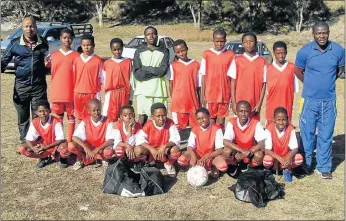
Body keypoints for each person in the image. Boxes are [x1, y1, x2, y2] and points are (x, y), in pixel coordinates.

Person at [295, 21, 345, 179]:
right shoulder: (304, 51)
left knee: (326, 134)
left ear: (329, 33)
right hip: (309, 101)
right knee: (307, 134)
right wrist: (310, 84)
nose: (322, 36)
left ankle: (324, 167)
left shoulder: (338, 50)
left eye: (324, 33)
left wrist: (327, 83)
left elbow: (340, 69)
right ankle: (307, 164)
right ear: (313, 34)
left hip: (329, 101)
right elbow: (298, 70)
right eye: (318, 33)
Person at [1, 16, 49, 144]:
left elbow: (47, 60)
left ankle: (37, 140)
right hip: (21, 86)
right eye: (26, 26)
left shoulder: (43, 42)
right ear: (22, 27)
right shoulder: (15, 43)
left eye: (32, 26)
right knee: (23, 117)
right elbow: (4, 61)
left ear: (36, 28)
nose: (29, 29)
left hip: (39, 86)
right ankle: (25, 142)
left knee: (38, 115)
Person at [47, 28, 80, 142]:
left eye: (69, 37)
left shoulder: (77, 56)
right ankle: (59, 142)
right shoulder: (53, 55)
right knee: (58, 117)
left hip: (71, 92)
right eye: (64, 37)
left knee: (71, 117)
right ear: (60, 39)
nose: (67, 40)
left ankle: (70, 142)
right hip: (57, 92)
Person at [132, 26, 170, 126]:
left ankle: (160, 138)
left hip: (158, 89)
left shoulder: (164, 51)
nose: (151, 36)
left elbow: (162, 71)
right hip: (143, 89)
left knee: (160, 116)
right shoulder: (139, 51)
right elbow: (138, 74)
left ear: (157, 35)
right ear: (145, 37)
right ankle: (139, 138)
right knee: (142, 117)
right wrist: (155, 71)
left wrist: (145, 68)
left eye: (153, 33)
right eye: (148, 34)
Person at [177, 107, 229, 178]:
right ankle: (198, 165)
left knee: (223, 166)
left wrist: (206, 157)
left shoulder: (216, 129)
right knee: (181, 160)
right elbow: (190, 146)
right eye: (199, 119)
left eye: (203, 118)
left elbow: (220, 150)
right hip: (198, 154)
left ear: (209, 117)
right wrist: (193, 156)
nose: (201, 120)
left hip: (211, 156)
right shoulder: (195, 128)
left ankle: (212, 166)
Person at [17, 100, 69, 168]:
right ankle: (44, 157)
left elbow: (61, 139)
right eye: (40, 111)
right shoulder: (35, 122)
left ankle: (62, 159)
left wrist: (47, 147)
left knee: (63, 148)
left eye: (45, 111)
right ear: (36, 112)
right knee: (22, 149)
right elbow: (29, 139)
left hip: (55, 145)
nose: (43, 113)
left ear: (50, 111)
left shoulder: (56, 121)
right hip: (43, 145)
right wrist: (33, 148)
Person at [200, 28, 236, 127]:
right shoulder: (207, 54)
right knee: (211, 119)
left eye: (222, 41)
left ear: (225, 40)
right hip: (210, 94)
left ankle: (219, 140)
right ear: (213, 40)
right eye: (217, 41)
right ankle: (211, 139)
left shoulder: (231, 55)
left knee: (221, 120)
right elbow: (203, 75)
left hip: (224, 94)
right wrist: (203, 94)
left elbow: (233, 78)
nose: (219, 43)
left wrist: (232, 98)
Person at [135, 103, 181, 177]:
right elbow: (139, 140)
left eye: (163, 115)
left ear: (166, 114)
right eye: (158, 116)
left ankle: (168, 164)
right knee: (138, 150)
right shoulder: (148, 124)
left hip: (164, 151)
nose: (161, 118)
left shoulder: (170, 123)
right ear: (152, 117)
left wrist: (164, 146)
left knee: (176, 150)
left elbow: (176, 139)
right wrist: (151, 148)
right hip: (152, 152)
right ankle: (150, 162)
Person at [68, 99, 114, 170]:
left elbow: (110, 140)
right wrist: (85, 148)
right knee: (71, 146)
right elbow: (74, 137)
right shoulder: (85, 121)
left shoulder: (108, 120)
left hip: (102, 148)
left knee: (108, 152)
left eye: (98, 110)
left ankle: (105, 160)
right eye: (94, 110)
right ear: (89, 111)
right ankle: (81, 159)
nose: (96, 112)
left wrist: (98, 149)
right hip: (90, 148)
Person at [230, 32, 267, 121]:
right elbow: (232, 83)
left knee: (253, 130)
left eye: (251, 41)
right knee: (239, 129)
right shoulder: (236, 61)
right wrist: (234, 103)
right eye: (246, 42)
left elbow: (264, 85)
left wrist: (259, 104)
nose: (248, 44)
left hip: (254, 104)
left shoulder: (262, 62)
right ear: (242, 44)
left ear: (256, 43)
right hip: (240, 103)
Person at [223, 100, 266, 169]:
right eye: (241, 111)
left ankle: (252, 166)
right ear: (236, 112)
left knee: (259, 155)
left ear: (249, 112)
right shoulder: (232, 122)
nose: (243, 114)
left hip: (251, 151)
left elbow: (262, 143)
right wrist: (242, 151)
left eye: (246, 111)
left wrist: (248, 152)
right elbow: (225, 141)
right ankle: (233, 167)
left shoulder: (256, 123)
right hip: (237, 150)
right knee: (226, 151)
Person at [263, 107, 304, 179]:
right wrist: (279, 158)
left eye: (284, 120)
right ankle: (271, 169)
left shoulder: (290, 129)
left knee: (299, 158)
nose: (281, 123)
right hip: (274, 156)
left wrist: (289, 158)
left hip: (286, 156)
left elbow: (294, 148)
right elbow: (267, 150)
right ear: (274, 120)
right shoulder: (269, 129)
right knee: (267, 160)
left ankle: (286, 169)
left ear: (287, 119)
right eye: (278, 120)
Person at [169, 39, 200, 130]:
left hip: (192, 102)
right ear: (175, 53)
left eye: (183, 50)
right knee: (181, 129)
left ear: (187, 49)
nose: (181, 53)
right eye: (178, 52)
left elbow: (198, 86)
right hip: (179, 103)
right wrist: (174, 99)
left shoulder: (196, 64)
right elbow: (171, 84)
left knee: (195, 128)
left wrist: (200, 102)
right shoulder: (173, 65)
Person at [265, 41, 299, 124]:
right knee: (271, 129)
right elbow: (265, 90)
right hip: (272, 106)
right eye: (278, 53)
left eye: (283, 53)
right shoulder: (268, 69)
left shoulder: (292, 67)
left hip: (286, 105)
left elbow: (294, 88)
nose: (281, 56)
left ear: (286, 52)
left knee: (285, 128)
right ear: (274, 53)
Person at [73, 34, 104, 123]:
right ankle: (79, 136)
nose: (86, 47)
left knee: (92, 119)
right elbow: (74, 76)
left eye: (89, 45)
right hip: (78, 94)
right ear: (81, 46)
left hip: (92, 94)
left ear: (93, 45)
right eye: (84, 45)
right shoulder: (76, 60)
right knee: (79, 118)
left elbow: (101, 79)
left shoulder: (98, 61)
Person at [102, 38, 133, 122]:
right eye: (114, 50)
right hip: (111, 93)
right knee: (108, 117)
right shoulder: (107, 63)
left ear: (122, 48)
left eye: (119, 49)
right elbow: (104, 80)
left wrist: (130, 98)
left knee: (125, 117)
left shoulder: (128, 62)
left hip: (124, 93)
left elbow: (131, 80)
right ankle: (108, 134)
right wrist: (107, 94)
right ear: (111, 50)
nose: (117, 52)